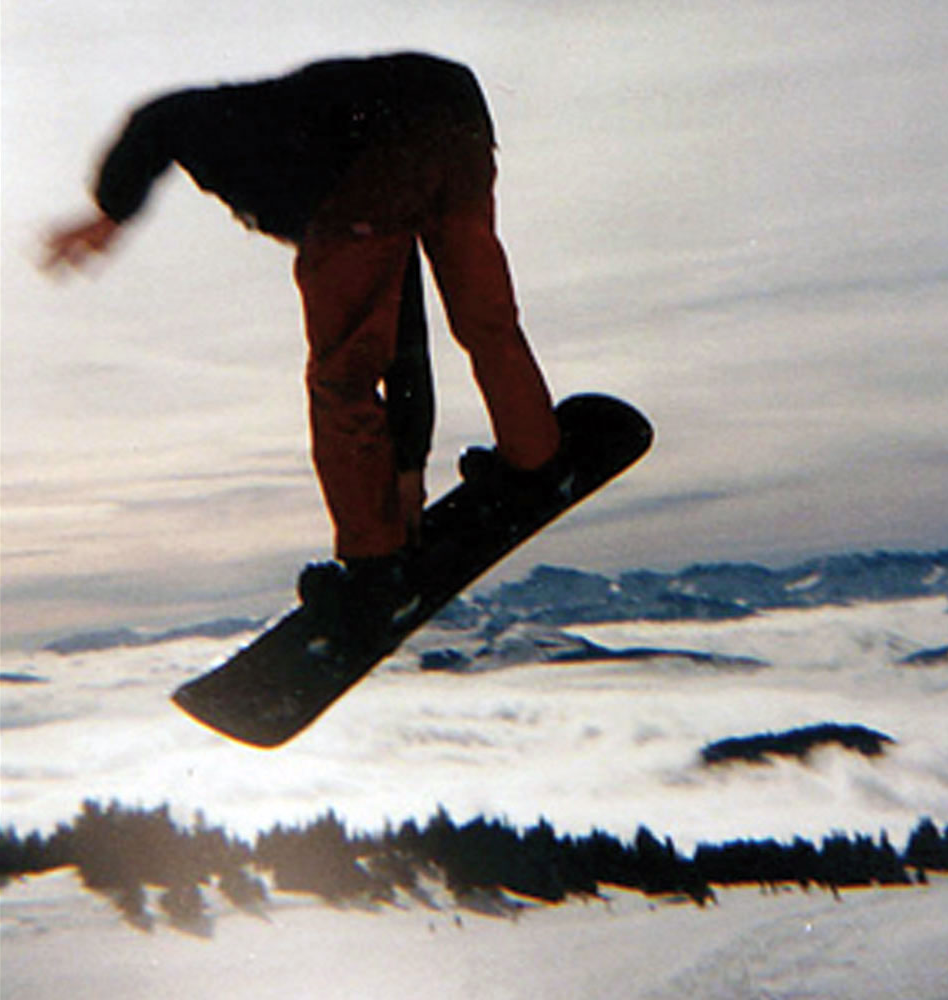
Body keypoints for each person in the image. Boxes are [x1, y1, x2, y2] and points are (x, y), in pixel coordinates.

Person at [45, 51, 564, 638]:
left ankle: (373, 568)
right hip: (457, 114)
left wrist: (108, 215)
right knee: (484, 316)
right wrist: (409, 466)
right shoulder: (298, 141)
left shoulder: (267, 159)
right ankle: (536, 454)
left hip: (382, 145)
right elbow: (406, 334)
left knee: (341, 377)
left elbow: (159, 118)